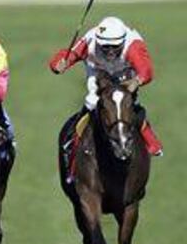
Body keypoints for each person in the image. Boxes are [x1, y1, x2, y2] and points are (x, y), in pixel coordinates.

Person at [49, 16, 162, 156]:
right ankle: (72, 141)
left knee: (129, 103)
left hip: (124, 73)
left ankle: (150, 139)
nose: (110, 52)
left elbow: (146, 71)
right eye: (105, 47)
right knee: (91, 102)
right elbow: (71, 54)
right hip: (98, 71)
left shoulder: (133, 46)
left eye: (115, 47)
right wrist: (59, 64)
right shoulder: (90, 40)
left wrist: (137, 81)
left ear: (123, 41)